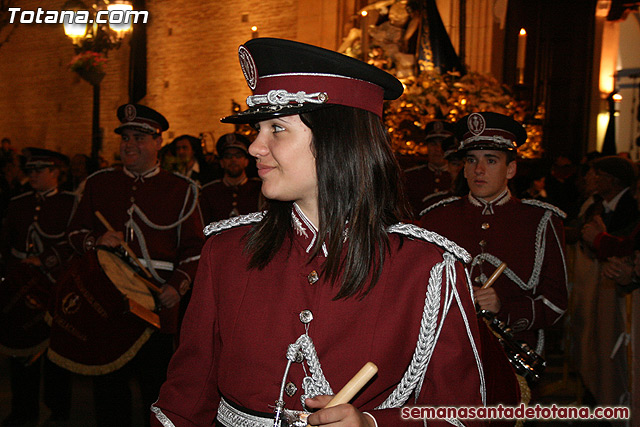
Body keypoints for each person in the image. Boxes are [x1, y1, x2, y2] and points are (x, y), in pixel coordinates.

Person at [151, 38, 485, 427]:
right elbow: (185, 400)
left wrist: (374, 425)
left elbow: (463, 414)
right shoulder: (225, 252)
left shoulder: (428, 268)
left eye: (276, 128)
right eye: (258, 129)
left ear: (337, 141)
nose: (256, 147)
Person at [53, 104, 205, 427]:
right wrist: (95, 241)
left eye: (139, 137)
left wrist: (177, 287)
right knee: (108, 391)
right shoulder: (98, 184)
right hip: (107, 305)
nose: (129, 143)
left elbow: (195, 249)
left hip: (156, 305)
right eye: (125, 138)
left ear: (158, 142)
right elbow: (75, 233)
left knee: (158, 392)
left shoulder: (182, 190)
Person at [420, 112, 568, 357]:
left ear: (510, 169)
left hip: (515, 355)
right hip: (448, 352)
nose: (478, 170)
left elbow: (556, 302)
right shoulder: (436, 219)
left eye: (490, 161)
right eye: (471, 160)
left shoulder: (541, 220)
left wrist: (505, 309)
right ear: (464, 169)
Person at [0, 148, 74, 426]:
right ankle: (23, 411)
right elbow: (7, 244)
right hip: (22, 288)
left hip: (54, 290)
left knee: (56, 357)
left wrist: (44, 260)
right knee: (20, 352)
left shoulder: (70, 202)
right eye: (29, 170)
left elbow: (74, 243)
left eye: (39, 170)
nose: (32, 175)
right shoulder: (18, 203)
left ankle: (58, 413)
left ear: (55, 173)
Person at [199, 133, 263, 223]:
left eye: (238, 155)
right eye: (228, 156)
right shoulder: (209, 192)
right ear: (221, 162)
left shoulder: (260, 189)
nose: (233, 160)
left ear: (246, 161)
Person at [403, 120, 454, 217]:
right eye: (433, 144)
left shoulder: (459, 177)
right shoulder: (410, 177)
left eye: (442, 144)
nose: (438, 149)